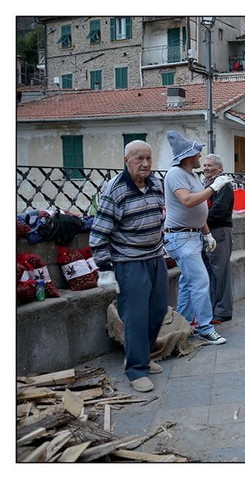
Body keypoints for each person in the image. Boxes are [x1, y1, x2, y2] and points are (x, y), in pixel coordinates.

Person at [89, 140, 169, 393]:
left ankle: (142, 356)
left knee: (157, 312)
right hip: (128, 262)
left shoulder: (157, 184)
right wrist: (105, 269)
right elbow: (98, 234)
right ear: (126, 161)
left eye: (148, 158)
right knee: (135, 317)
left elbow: (159, 217)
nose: (145, 164)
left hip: (155, 257)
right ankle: (135, 370)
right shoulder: (116, 190)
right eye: (138, 159)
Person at [163, 130, 233, 345]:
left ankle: (182, 326)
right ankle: (204, 327)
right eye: (197, 154)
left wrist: (206, 233)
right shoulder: (175, 174)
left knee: (187, 283)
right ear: (187, 156)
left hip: (192, 235)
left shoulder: (192, 176)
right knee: (201, 282)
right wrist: (213, 187)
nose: (200, 159)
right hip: (181, 238)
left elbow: (199, 209)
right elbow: (188, 201)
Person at [201, 154, 234, 324]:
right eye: (204, 165)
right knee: (211, 273)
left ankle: (223, 310)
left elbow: (218, 211)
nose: (205, 168)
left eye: (209, 165)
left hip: (219, 231)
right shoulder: (207, 184)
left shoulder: (224, 185)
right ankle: (213, 308)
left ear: (219, 169)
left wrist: (200, 221)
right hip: (208, 231)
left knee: (220, 272)